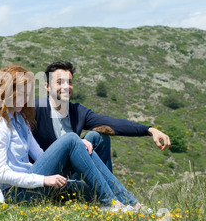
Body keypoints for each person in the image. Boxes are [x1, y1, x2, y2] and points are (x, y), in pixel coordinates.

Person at [0, 65, 148, 212]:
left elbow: (40, 155)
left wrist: (76, 151)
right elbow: (0, 174)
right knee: (72, 139)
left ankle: (131, 204)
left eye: (27, 94)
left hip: (32, 184)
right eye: (21, 94)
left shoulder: (20, 120)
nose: (26, 98)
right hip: (15, 194)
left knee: (91, 188)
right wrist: (44, 180)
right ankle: (112, 204)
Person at [34, 60, 171, 173]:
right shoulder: (36, 109)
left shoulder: (78, 111)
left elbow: (113, 123)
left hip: (70, 175)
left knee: (98, 136)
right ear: (47, 87)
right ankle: (110, 196)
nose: (66, 86)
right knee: (73, 140)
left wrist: (149, 130)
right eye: (59, 82)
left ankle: (102, 194)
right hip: (47, 176)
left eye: (69, 82)